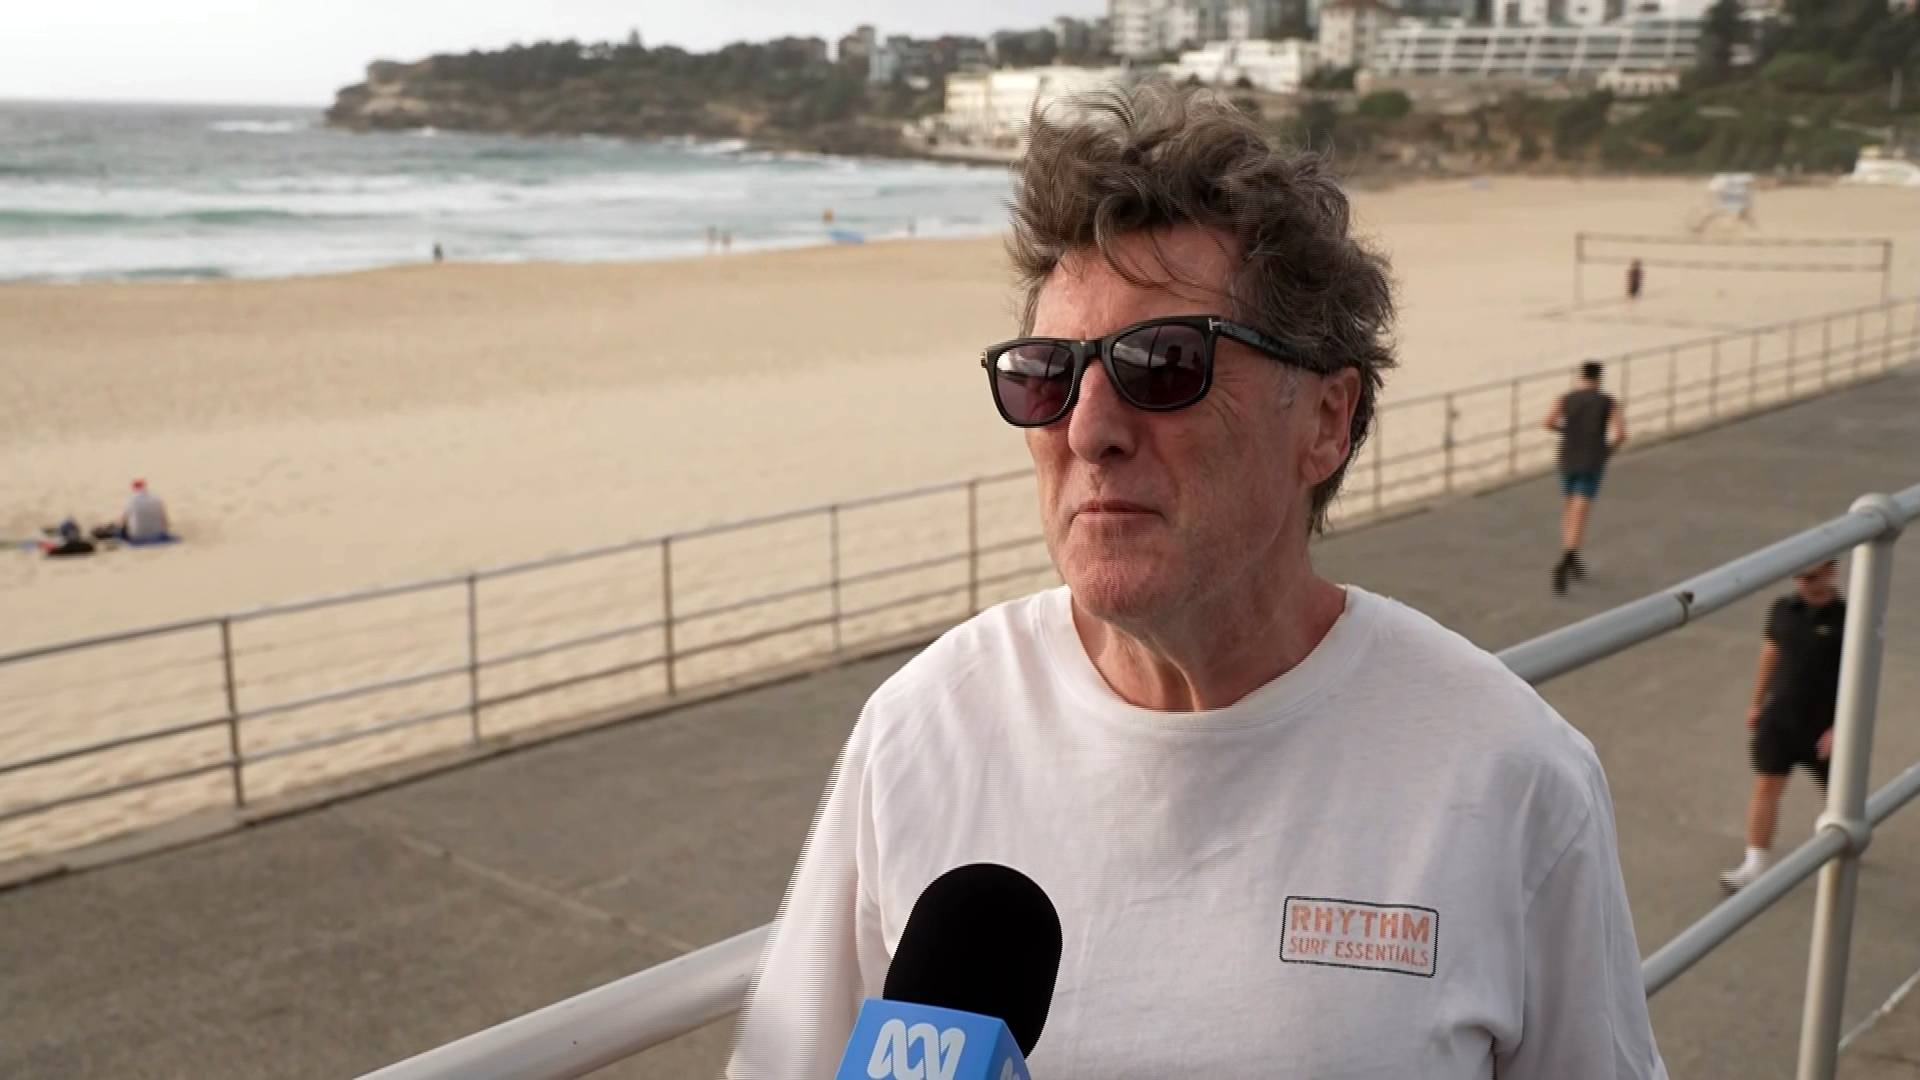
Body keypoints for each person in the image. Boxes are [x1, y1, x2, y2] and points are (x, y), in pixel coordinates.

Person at [727, 84, 1666, 1079]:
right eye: (1046, 373)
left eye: (1163, 363)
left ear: (1326, 421)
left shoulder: (1510, 776)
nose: (1088, 429)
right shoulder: (922, 731)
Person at [1719, 559, 1846, 892]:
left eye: (1812, 577)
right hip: (1781, 719)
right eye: (1799, 577)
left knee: (1840, 795)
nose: (1804, 584)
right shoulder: (1783, 609)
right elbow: (1770, 653)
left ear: (1831, 573)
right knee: (1766, 787)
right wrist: (1756, 702)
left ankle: (1844, 843)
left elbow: (1859, 677)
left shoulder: (1848, 618)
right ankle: (1755, 864)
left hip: (1825, 728)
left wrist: (1842, 728)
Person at [1544, 361, 1626, 595]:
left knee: (1569, 506)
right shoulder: (1607, 401)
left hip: (1567, 457)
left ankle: (1571, 553)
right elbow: (1620, 434)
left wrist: (1567, 431)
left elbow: (1548, 422)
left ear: (1581, 377)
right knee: (1581, 511)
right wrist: (1607, 451)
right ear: (1599, 378)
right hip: (1591, 460)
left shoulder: (1566, 398)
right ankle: (1568, 557)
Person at [120, 478, 174, 544]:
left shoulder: (130, 500)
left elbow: (123, 520)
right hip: (157, 535)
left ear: (133, 488)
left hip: (137, 536)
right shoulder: (156, 498)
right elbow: (164, 519)